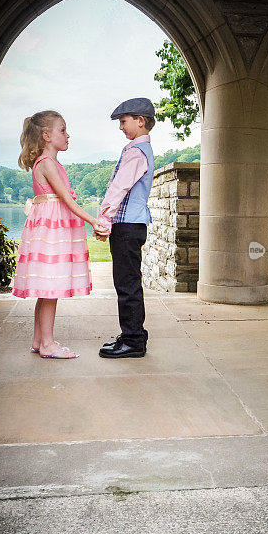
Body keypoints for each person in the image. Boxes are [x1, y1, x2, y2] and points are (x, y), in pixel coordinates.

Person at [12, 110, 108, 359]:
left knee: (47, 289)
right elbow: (66, 200)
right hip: (50, 234)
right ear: (46, 135)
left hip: (50, 229)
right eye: (63, 130)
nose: (68, 135)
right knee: (51, 288)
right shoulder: (46, 163)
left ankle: (38, 339)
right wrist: (93, 221)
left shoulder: (51, 164)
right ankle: (48, 344)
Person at [94, 97, 155, 358]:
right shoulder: (139, 150)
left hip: (127, 226)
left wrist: (104, 219)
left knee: (127, 283)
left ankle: (133, 341)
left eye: (123, 121)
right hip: (131, 225)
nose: (121, 127)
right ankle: (133, 335)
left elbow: (119, 187)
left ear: (140, 121)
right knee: (128, 281)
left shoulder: (136, 152)